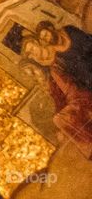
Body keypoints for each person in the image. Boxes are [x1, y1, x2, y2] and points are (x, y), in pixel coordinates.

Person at [20, 20, 92, 157]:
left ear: (38, 43)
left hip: (85, 85)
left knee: (62, 117)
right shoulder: (50, 69)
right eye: (29, 55)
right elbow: (59, 95)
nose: (33, 55)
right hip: (81, 91)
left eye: (32, 49)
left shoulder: (59, 49)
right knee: (60, 118)